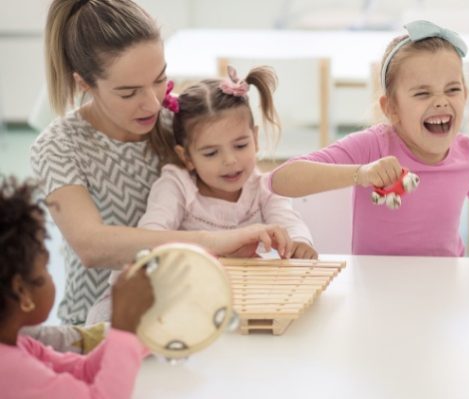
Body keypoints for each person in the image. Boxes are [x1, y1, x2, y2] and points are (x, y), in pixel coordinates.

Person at [32, 0, 289, 326]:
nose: (153, 103)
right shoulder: (57, 147)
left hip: (185, 317)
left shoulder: (178, 123)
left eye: (160, 78)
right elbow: (91, 245)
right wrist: (212, 244)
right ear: (84, 83)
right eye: (129, 93)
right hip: (98, 329)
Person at [269, 20, 469, 256]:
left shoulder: (468, 155)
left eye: (453, 89)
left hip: (444, 287)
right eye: (422, 93)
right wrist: (360, 174)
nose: (440, 101)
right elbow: (281, 180)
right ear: (391, 108)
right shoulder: (374, 145)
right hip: (377, 288)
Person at [137, 66, 316, 259]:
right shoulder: (177, 185)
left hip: (251, 286)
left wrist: (299, 242)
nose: (230, 161)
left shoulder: (264, 187)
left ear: (255, 140)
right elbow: (150, 236)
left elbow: (288, 222)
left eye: (240, 146)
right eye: (211, 153)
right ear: (187, 157)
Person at [0, 177, 155, 399]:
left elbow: (82, 371)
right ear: (21, 291)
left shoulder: (21, 345)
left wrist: (135, 328)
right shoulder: (11, 370)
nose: (50, 274)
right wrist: (123, 328)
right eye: (46, 267)